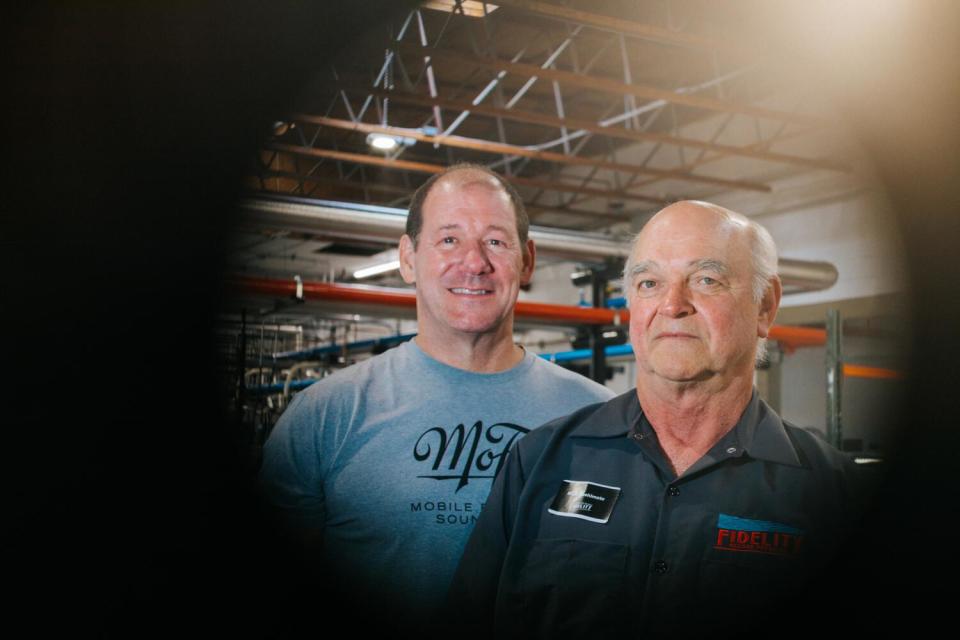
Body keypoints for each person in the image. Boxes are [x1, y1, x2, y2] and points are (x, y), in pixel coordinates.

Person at [448, 200, 865, 637]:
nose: (672, 304)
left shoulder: (833, 494)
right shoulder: (539, 461)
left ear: (765, 307)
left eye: (707, 280)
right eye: (650, 283)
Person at [257, 164, 614, 622]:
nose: (474, 262)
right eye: (449, 239)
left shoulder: (597, 416)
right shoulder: (325, 415)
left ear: (527, 260)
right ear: (408, 258)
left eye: (496, 241)